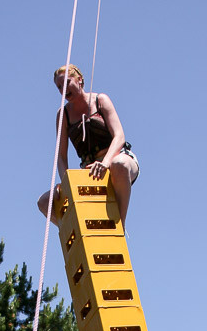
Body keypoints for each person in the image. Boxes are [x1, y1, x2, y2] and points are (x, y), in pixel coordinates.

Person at [37, 64, 139, 230]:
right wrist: (66, 183)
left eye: (67, 82)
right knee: (45, 202)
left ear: (80, 80)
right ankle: (78, 231)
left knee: (119, 164)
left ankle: (119, 226)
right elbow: (61, 156)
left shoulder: (101, 100)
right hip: (89, 171)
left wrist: (105, 164)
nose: (63, 89)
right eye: (59, 87)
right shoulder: (63, 115)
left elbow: (119, 136)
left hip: (116, 160)